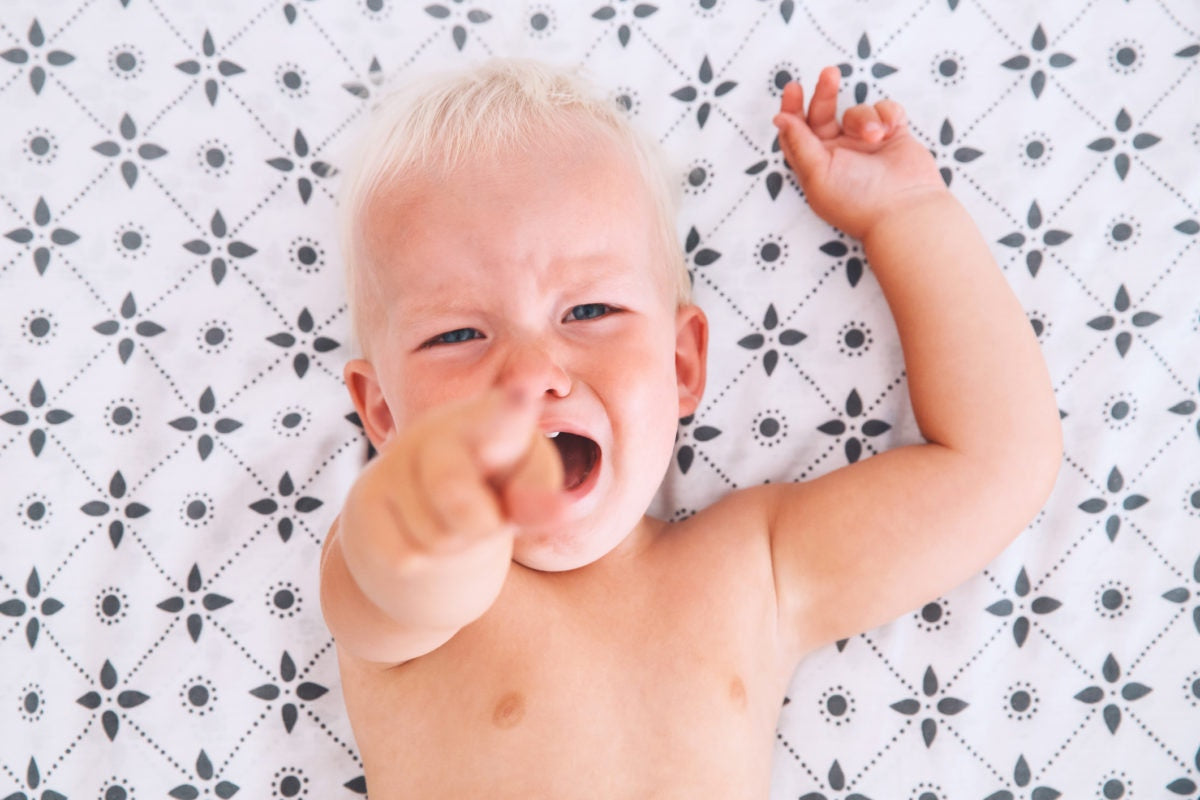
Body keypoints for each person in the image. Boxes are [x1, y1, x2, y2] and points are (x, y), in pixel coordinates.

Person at [319, 58, 1061, 798]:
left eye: (588, 312)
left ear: (680, 364)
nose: (531, 373)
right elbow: (400, 576)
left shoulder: (752, 569)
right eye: (455, 336)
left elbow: (995, 464)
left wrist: (908, 217)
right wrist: (439, 504)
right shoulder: (415, 616)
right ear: (382, 411)